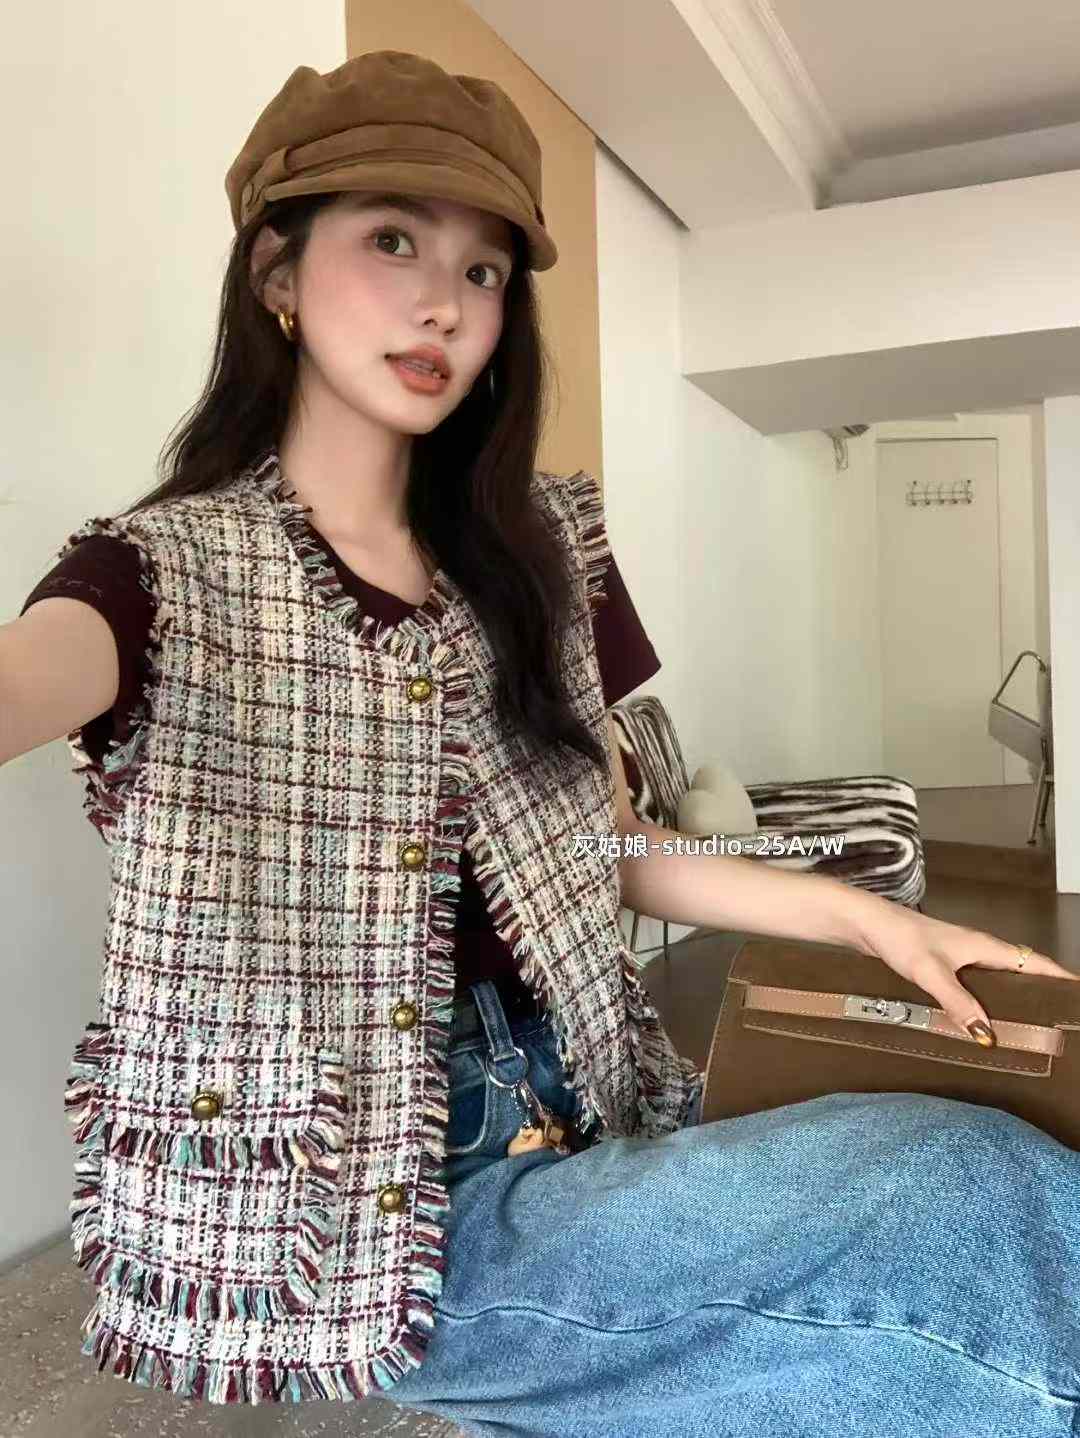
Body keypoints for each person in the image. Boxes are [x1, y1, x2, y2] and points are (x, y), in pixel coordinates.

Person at [3, 48, 1079, 1437]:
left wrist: (873, 923)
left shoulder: (546, 560)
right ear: (277, 270)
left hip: (597, 1113)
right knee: (966, 1200)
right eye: (392, 239)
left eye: (485, 270)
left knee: (931, 1317)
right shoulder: (164, 577)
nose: (444, 302)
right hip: (359, 1222)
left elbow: (611, 851)